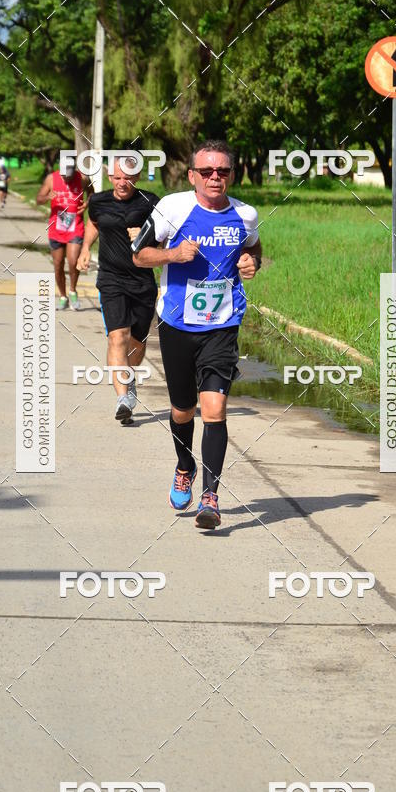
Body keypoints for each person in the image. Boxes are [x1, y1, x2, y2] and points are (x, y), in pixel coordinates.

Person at [133, 140, 262, 528]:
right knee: (182, 410)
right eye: (206, 171)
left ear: (231, 174)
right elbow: (139, 254)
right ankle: (184, 464)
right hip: (176, 324)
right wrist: (172, 255)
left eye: (222, 171)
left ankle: (211, 497)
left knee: (215, 409)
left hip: (222, 325)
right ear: (192, 176)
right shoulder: (173, 208)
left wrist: (250, 262)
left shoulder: (246, 214)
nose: (214, 177)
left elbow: (254, 249)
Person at [77, 157, 160, 425]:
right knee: (117, 337)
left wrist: (147, 236)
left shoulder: (151, 201)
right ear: (110, 177)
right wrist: (85, 248)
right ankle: (123, 398)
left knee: (137, 341)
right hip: (111, 278)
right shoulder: (99, 201)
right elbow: (94, 224)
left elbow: (167, 235)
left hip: (142, 280)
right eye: (116, 178)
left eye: (127, 178)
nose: (122, 183)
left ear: (136, 178)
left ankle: (129, 375)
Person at [36, 158, 91, 310]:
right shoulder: (51, 179)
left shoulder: (83, 178)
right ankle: (63, 296)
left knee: (73, 262)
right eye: (64, 175)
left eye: (69, 175)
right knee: (58, 264)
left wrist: (87, 203)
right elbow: (38, 199)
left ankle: (72, 291)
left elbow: (92, 193)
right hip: (56, 228)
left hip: (75, 226)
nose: (67, 178)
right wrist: (47, 197)